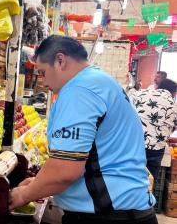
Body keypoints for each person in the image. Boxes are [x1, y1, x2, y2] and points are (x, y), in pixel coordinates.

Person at [9, 36, 157, 224]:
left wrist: (22, 195)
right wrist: (39, 184)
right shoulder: (100, 81)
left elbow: (65, 171)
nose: (44, 82)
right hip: (128, 209)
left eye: (43, 72)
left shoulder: (79, 90)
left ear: (60, 61)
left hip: (108, 215)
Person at [129, 79, 177, 178]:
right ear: (173, 92)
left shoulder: (138, 94)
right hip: (155, 148)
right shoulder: (173, 104)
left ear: (158, 87)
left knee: (129, 176)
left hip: (133, 143)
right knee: (148, 181)